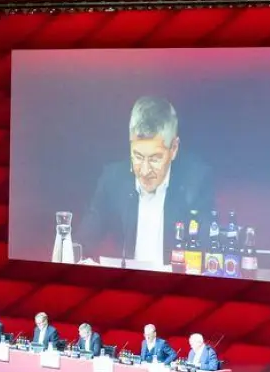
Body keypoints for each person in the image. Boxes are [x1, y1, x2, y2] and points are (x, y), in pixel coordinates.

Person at [73, 95, 216, 268]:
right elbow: (83, 240)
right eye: (138, 156)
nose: (145, 171)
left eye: (155, 158)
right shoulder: (113, 178)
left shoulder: (196, 181)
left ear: (174, 149)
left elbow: (206, 253)